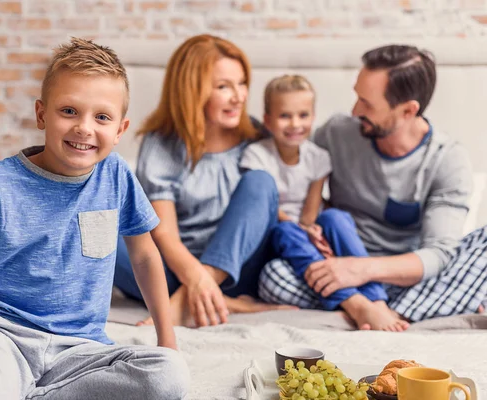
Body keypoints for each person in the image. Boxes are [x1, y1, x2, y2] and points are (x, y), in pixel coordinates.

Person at [0, 38, 189, 400]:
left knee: (168, 376)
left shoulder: (115, 175)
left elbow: (146, 256)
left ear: (120, 129)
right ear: (42, 114)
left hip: (80, 349)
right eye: (69, 111)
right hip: (0, 336)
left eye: (102, 117)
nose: (84, 128)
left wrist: (167, 340)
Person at [259, 44, 487, 328]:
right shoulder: (336, 133)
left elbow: (438, 253)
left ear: (407, 111)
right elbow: (294, 176)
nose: (355, 110)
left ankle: (378, 311)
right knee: (273, 276)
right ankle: (373, 308)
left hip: (403, 276)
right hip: (338, 266)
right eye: (357, 97)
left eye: (367, 104)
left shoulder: (446, 159)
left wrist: (361, 270)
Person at [114, 34, 293, 328]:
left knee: (261, 182)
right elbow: (165, 235)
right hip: (177, 269)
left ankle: (182, 304)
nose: (239, 96)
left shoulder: (257, 138)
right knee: (107, 230)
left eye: (242, 83)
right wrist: (196, 278)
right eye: (224, 87)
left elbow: (264, 209)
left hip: (241, 269)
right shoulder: (161, 144)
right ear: (191, 91)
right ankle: (216, 299)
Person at [239, 75, 405, 331]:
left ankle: (376, 300)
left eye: (303, 115)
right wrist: (301, 231)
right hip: (273, 233)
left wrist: (312, 231)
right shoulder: (256, 155)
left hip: (303, 232)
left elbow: (310, 210)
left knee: (334, 217)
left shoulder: (318, 158)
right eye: (285, 116)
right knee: (286, 230)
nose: (295, 124)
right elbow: (266, 209)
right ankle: (353, 302)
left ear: (313, 117)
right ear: (268, 120)